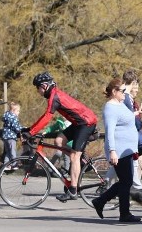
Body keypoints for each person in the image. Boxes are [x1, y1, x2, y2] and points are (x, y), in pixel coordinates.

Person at [26, 72, 98, 202]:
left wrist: (31, 132)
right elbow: (45, 116)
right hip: (78, 123)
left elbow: (47, 117)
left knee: (73, 156)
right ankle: (81, 162)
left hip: (86, 123)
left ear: (44, 86)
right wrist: (30, 129)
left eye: (38, 88)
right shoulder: (54, 95)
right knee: (59, 140)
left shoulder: (55, 97)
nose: (37, 91)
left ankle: (73, 190)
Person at [92, 78, 141, 223]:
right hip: (119, 151)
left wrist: (136, 113)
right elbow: (110, 131)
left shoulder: (119, 104)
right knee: (126, 182)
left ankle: (102, 202)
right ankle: (123, 213)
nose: (125, 94)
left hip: (127, 150)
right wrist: (112, 151)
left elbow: (125, 120)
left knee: (126, 182)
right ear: (114, 92)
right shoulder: (110, 108)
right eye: (123, 91)